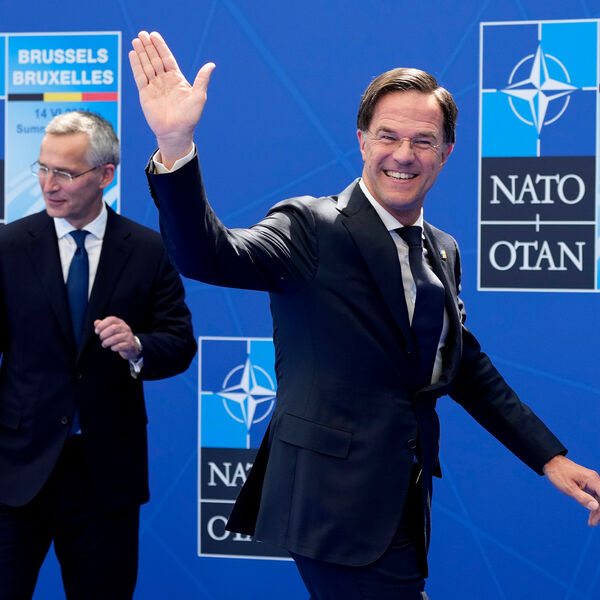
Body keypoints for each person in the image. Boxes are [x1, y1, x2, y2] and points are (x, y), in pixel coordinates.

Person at [129, 31, 600, 600]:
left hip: (403, 499)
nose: (404, 155)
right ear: (361, 140)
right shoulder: (310, 226)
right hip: (330, 506)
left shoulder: (443, 249)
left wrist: (548, 457)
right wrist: (175, 144)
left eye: (423, 141)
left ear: (446, 152)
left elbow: (462, 365)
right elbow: (206, 254)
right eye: (388, 136)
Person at [0, 110, 197, 600]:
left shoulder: (148, 249)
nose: (49, 184)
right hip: (16, 470)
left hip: (105, 476)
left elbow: (180, 343)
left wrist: (138, 346)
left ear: (106, 175)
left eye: (65, 173)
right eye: (43, 168)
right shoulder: (8, 247)